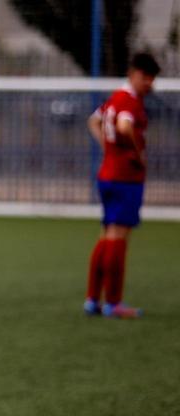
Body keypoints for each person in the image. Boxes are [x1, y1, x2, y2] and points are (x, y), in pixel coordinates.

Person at [83, 52, 160, 318]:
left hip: (107, 174)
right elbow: (125, 126)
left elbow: (93, 120)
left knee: (107, 234)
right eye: (145, 77)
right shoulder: (129, 101)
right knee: (118, 237)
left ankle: (93, 299)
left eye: (152, 78)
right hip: (125, 177)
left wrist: (107, 148)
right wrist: (138, 154)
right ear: (132, 74)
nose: (149, 83)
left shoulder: (115, 97)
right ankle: (113, 303)